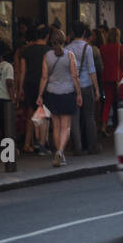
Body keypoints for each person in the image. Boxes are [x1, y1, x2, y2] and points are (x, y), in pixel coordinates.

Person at [36, 30, 82, 168]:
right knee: (65, 126)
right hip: (67, 93)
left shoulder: (47, 56)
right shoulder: (69, 55)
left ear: (51, 41)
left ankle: (58, 152)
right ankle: (61, 152)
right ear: (64, 40)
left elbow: (44, 77)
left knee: (55, 126)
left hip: (51, 94)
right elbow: (74, 76)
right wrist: (79, 93)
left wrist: (40, 95)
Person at [67, 21, 99, 155]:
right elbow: (92, 69)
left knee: (74, 117)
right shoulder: (88, 48)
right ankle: (92, 146)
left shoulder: (67, 48)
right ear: (84, 33)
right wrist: (96, 88)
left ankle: (78, 147)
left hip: (73, 86)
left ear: (72, 33)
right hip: (86, 85)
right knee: (89, 116)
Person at [18, 24, 50, 154]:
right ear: (47, 36)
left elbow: (22, 71)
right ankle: (41, 144)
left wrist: (20, 88)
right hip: (44, 85)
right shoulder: (49, 51)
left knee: (31, 114)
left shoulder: (26, 51)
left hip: (29, 84)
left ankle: (27, 143)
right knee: (43, 114)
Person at [100, 27, 123, 133]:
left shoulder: (103, 47)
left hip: (106, 76)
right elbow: (122, 63)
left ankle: (104, 126)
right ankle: (119, 124)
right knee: (119, 102)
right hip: (118, 77)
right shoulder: (120, 47)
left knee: (107, 103)